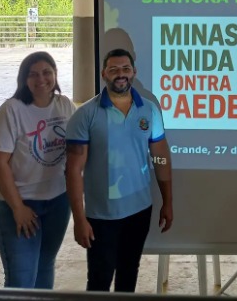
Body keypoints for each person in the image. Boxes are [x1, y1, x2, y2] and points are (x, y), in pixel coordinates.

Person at [65, 48, 173, 292]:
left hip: (140, 211)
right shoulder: (86, 115)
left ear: (134, 72)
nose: (120, 74)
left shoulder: (149, 110)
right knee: (99, 280)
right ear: (104, 74)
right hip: (101, 216)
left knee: (129, 273)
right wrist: (79, 219)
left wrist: (168, 201)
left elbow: (161, 158)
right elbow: (73, 171)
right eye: (113, 69)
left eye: (125, 68)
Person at [0, 51, 75, 288]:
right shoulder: (12, 109)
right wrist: (18, 208)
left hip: (58, 202)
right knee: (21, 280)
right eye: (33, 74)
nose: (41, 79)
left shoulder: (65, 105)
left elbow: (79, 150)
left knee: (45, 266)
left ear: (55, 74)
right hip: (20, 204)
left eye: (47, 72)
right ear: (23, 79)